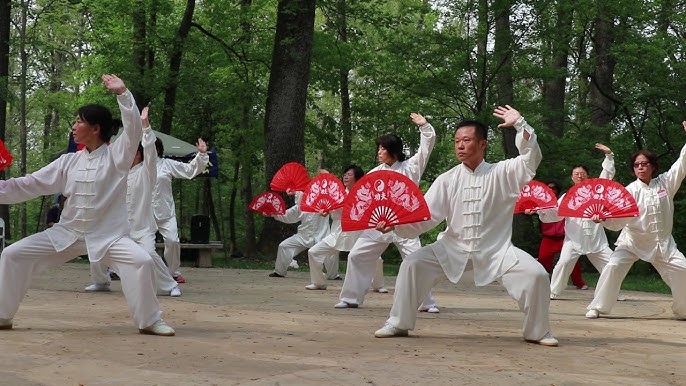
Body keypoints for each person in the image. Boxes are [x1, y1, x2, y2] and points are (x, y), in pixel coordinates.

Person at [0, 74, 174, 335]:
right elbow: (29, 184)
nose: (74, 126)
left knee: (141, 261)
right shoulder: (67, 162)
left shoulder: (117, 156)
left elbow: (133, 131)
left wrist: (123, 94)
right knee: (12, 254)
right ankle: (3, 316)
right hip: (66, 233)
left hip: (109, 236)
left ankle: (149, 320)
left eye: (79, 121)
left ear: (95, 128)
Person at [373, 105, 558, 347]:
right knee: (413, 263)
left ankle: (538, 331)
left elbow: (531, 159)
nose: (460, 145)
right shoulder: (447, 179)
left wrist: (521, 124)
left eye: (467, 140)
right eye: (457, 140)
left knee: (536, 275)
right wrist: (396, 225)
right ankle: (398, 322)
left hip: (497, 251)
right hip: (452, 248)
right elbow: (425, 216)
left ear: (482, 145)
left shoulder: (504, 172)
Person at [335, 112, 439, 313]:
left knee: (416, 260)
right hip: (378, 225)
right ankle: (350, 298)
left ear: (393, 151)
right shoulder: (375, 173)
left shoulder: (411, 167)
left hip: (405, 223)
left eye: (383, 148)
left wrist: (424, 126)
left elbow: (427, 148)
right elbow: (364, 198)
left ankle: (427, 303)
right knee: (357, 255)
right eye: (379, 148)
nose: (379, 152)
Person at [586, 124, 686, 319]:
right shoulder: (629, 191)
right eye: (637, 165)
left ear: (653, 166)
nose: (640, 167)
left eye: (644, 163)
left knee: (683, 270)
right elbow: (618, 220)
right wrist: (604, 218)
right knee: (613, 267)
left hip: (663, 244)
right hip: (632, 242)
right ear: (633, 169)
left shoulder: (665, 183)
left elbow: (682, 164)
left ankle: (683, 310)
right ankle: (597, 307)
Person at [85, 106, 181, 298]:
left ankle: (170, 285)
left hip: (142, 229)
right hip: (118, 228)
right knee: (94, 245)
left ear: (138, 154)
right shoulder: (119, 173)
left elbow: (150, 153)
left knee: (149, 255)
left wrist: (145, 127)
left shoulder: (147, 172)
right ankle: (101, 281)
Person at [533, 145, 616, 299]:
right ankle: (553, 291)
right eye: (576, 174)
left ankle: (611, 293)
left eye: (582, 174)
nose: (579, 176)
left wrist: (609, 155)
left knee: (612, 264)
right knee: (563, 263)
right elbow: (555, 214)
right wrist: (540, 209)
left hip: (596, 239)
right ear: (572, 177)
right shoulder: (567, 196)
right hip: (574, 238)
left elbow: (607, 176)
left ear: (588, 176)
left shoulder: (597, 191)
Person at [153, 134, 209, 284]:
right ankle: (120, 271)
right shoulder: (137, 165)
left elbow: (190, 170)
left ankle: (173, 272)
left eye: (153, 147)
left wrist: (201, 154)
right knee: (134, 241)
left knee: (172, 241)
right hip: (143, 213)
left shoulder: (167, 164)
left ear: (158, 149)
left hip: (165, 211)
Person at [305, 165, 364, 290]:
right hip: (337, 232)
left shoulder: (362, 194)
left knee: (375, 258)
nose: (346, 177)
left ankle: (378, 284)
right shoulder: (337, 194)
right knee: (314, 252)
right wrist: (324, 211)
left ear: (357, 177)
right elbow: (329, 210)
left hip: (357, 233)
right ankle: (319, 282)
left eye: (349, 174)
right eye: (345, 174)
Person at [532, 182, 587, 290]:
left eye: (553, 188)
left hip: (563, 237)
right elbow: (534, 211)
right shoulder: (540, 203)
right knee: (543, 261)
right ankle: (539, 282)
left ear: (557, 190)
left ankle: (579, 282)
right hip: (548, 238)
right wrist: (531, 210)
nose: (551, 190)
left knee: (571, 261)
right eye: (548, 189)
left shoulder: (562, 202)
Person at [268, 186, 331, 278]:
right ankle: (279, 272)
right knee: (284, 246)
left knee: (332, 251)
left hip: (322, 235)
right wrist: (272, 213)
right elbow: (287, 215)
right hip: (303, 235)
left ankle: (333, 275)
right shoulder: (301, 206)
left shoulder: (325, 204)